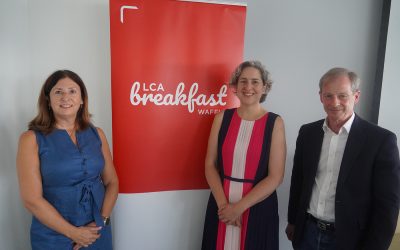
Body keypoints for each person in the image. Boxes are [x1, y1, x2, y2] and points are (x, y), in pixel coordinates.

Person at [286, 67, 400, 250]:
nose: (335, 102)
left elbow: (388, 205)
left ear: (356, 96)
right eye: (328, 95)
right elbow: (298, 181)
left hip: (350, 239)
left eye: (342, 95)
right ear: (320, 96)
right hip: (307, 231)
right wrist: (292, 221)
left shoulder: (381, 140)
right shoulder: (308, 133)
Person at [16, 70, 119, 250]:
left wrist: (101, 221)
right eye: (58, 92)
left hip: (98, 230)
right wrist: (74, 233)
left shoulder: (97, 134)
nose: (66, 97)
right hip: (54, 235)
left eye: (72, 91)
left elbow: (112, 182)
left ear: (82, 100)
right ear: (48, 100)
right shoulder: (30, 139)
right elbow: (31, 199)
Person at [202, 60, 286, 250]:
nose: (249, 87)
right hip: (220, 204)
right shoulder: (221, 118)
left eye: (255, 82)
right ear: (235, 86)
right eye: (243, 81)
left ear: (264, 87)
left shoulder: (275, 123)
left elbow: (276, 177)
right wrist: (225, 208)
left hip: (257, 207)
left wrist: (238, 208)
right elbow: (209, 164)